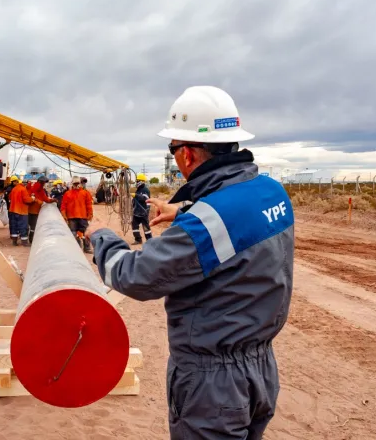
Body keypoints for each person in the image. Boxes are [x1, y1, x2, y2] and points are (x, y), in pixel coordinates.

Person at [86, 86, 293, 440]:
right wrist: (185, 209)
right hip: (260, 367)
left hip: (214, 385)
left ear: (187, 154)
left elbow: (135, 275)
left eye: (173, 149)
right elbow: (234, 217)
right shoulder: (272, 192)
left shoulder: (206, 224)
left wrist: (101, 237)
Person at [61, 176, 94, 253]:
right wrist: (64, 216)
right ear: (72, 184)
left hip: (82, 217)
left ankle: (86, 248)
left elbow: (88, 204)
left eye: (77, 183)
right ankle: (77, 249)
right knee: (74, 233)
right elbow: (63, 206)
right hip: (72, 217)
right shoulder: (67, 194)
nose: (76, 185)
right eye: (75, 183)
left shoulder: (85, 193)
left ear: (80, 183)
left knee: (85, 232)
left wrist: (90, 214)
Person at [26, 175, 55, 244]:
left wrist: (52, 200)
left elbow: (46, 199)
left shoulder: (39, 189)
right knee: (32, 226)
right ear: (41, 182)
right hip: (32, 211)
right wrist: (38, 201)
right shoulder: (35, 188)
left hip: (31, 210)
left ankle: (29, 238)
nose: (44, 184)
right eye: (44, 183)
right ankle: (30, 239)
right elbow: (29, 198)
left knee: (30, 225)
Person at [8, 175, 34, 246]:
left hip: (13, 210)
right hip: (21, 211)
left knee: (14, 226)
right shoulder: (23, 189)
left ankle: (14, 242)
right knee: (23, 226)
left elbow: (9, 197)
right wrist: (32, 199)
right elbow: (26, 200)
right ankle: (24, 242)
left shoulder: (14, 189)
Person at [131, 173, 153, 245]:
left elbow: (145, 198)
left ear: (142, 181)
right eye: (136, 181)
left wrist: (136, 195)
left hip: (143, 211)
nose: (136, 182)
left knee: (146, 227)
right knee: (134, 225)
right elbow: (135, 200)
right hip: (137, 211)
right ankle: (138, 239)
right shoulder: (138, 189)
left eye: (138, 181)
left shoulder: (145, 190)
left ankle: (150, 241)